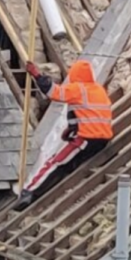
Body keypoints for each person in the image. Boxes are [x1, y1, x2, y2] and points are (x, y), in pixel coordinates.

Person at [15, 59, 113, 210]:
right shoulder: (99, 90)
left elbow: (52, 92)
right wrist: (72, 129)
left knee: (55, 162)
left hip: (86, 140)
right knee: (69, 164)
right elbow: (87, 113)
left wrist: (36, 74)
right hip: (103, 139)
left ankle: (30, 192)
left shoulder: (78, 89)